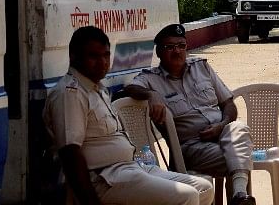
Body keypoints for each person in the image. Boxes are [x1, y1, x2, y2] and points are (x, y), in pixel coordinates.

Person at [44, 26, 214, 205]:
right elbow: (70, 154)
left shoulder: (97, 89)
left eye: (105, 55)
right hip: (105, 178)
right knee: (187, 195)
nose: (102, 62)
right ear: (73, 56)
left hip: (131, 167)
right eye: (93, 56)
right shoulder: (70, 94)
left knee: (203, 188)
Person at [125, 24, 256, 205]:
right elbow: (129, 88)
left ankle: (239, 195)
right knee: (239, 158)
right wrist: (151, 94)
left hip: (223, 135)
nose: (177, 51)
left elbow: (228, 104)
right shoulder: (150, 79)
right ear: (159, 52)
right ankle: (241, 195)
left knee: (238, 127)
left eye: (181, 46)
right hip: (191, 147)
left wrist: (221, 124)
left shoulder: (201, 67)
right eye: (169, 47)